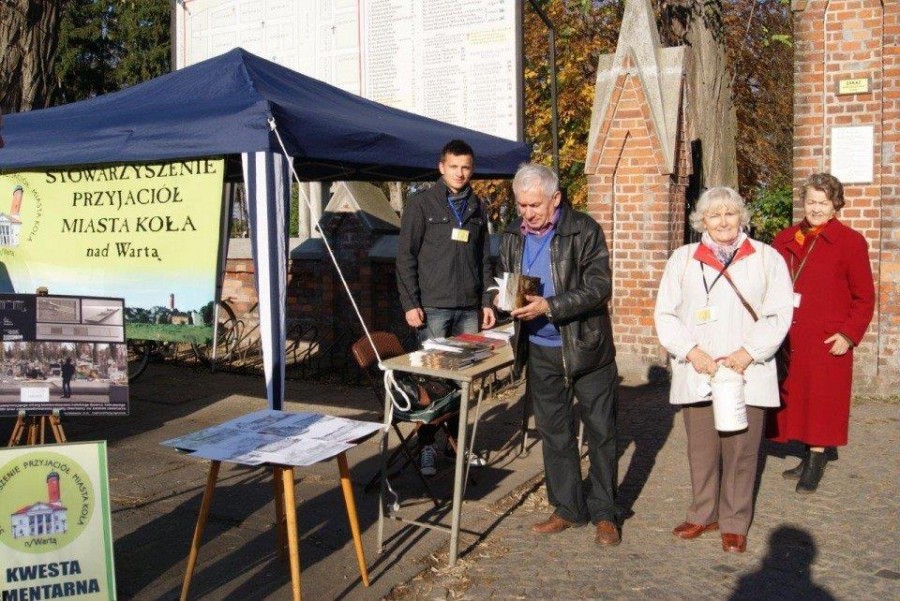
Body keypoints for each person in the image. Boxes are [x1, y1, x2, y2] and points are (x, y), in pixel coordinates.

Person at [654, 186, 793, 553]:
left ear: (741, 217)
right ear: (702, 221)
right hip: (698, 369)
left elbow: (780, 314)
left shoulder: (767, 258)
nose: (723, 221)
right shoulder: (683, 259)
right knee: (701, 449)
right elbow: (665, 314)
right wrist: (691, 351)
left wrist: (748, 353)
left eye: (730, 213)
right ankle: (703, 513)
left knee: (741, 451)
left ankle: (734, 521)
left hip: (747, 371)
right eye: (714, 215)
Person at [498, 163, 621, 546]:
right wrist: (497, 300)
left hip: (587, 348)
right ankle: (568, 508)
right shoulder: (510, 235)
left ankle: (605, 513)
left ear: (556, 199)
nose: (527, 213)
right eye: (521, 205)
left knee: (600, 434)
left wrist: (549, 306)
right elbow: (505, 277)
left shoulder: (584, 230)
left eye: (534, 205)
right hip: (539, 349)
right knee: (555, 433)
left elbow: (599, 287)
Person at [767, 173, 875, 493]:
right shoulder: (785, 238)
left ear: (835, 205)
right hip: (791, 336)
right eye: (811, 201)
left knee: (824, 401)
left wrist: (849, 335)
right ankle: (807, 453)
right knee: (799, 400)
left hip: (827, 338)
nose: (816, 209)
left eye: (823, 203)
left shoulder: (850, 242)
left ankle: (817, 461)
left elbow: (864, 297)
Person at [396, 139, 496, 475]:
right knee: (432, 382)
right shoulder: (421, 204)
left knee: (463, 382)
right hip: (433, 309)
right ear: (442, 167)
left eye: (466, 167)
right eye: (454, 167)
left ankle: (455, 447)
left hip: (468, 309)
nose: (460, 173)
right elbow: (405, 257)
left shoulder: (477, 207)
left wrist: (485, 302)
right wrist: (410, 303)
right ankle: (426, 448)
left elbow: (484, 259)